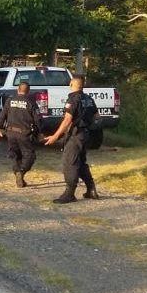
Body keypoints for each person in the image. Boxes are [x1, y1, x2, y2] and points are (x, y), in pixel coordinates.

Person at [43, 74, 100, 204]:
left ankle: (69, 194)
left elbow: (67, 120)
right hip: (85, 134)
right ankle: (91, 190)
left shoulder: (73, 99)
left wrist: (55, 136)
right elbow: (97, 116)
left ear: (71, 84)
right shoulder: (89, 99)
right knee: (81, 163)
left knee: (70, 163)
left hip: (75, 135)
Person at [0, 82, 41, 188]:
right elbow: (38, 120)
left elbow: (2, 116)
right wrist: (39, 133)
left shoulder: (9, 101)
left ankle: (19, 175)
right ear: (28, 91)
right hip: (24, 133)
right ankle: (21, 172)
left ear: (18, 90)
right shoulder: (31, 102)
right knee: (30, 156)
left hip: (10, 133)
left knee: (15, 155)